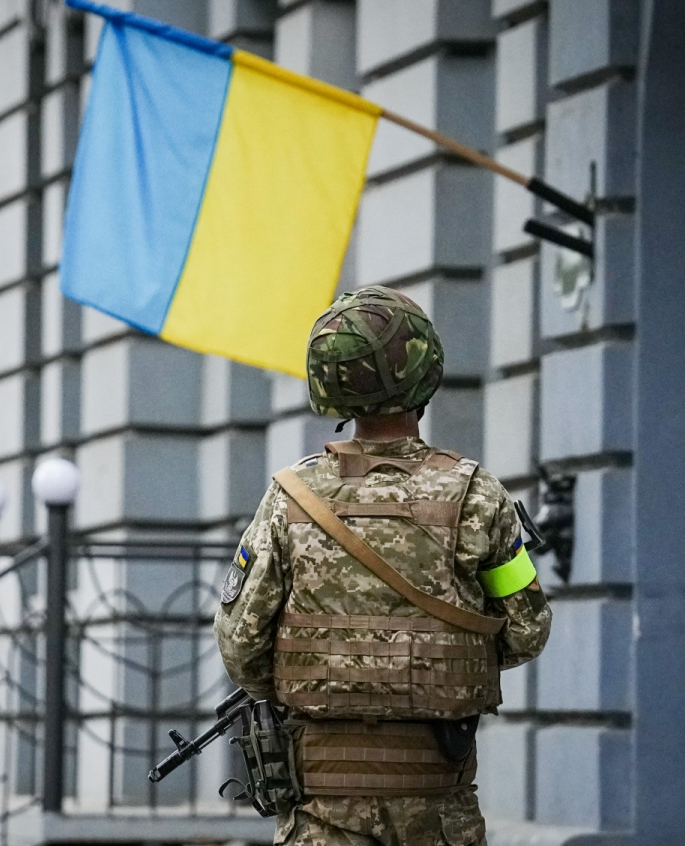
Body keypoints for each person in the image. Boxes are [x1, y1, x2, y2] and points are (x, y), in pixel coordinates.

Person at [214, 286, 552, 846]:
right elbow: (526, 630)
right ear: (426, 370)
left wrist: (328, 679)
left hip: (322, 814)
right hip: (438, 813)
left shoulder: (290, 498)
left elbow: (241, 645)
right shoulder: (477, 494)